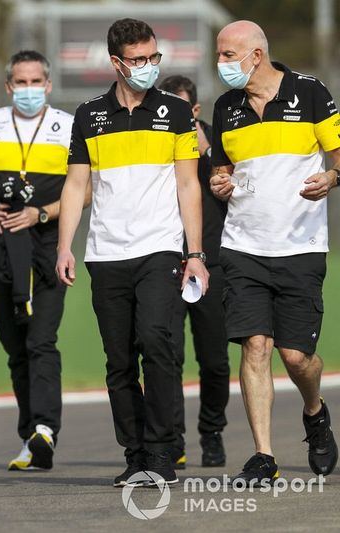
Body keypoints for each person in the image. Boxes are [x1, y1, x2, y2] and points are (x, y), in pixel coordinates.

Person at [56, 18, 209, 486]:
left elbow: (188, 184)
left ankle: (163, 453)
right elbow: (76, 184)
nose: (146, 67)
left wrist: (195, 252)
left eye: (153, 58)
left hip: (161, 249)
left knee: (159, 346)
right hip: (105, 254)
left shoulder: (176, 113)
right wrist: (65, 245)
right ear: (116, 62)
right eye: (137, 60)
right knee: (119, 360)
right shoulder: (89, 114)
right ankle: (136, 453)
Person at [210, 20, 339, 483]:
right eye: (219, 54)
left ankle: (315, 412)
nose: (220, 63)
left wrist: (332, 178)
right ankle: (264, 456)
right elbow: (221, 171)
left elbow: (339, 157)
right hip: (243, 245)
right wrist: (219, 182)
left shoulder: (310, 92)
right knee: (256, 345)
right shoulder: (227, 106)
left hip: (301, 245)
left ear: (256, 56)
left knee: (296, 357)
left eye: (227, 55)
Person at [0, 50, 81, 471]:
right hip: (2, 245)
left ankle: (46, 428)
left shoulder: (67, 126)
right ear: (9, 86)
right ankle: (30, 435)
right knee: (16, 346)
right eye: (20, 83)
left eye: (35, 82)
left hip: (48, 244)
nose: (28, 90)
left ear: (48, 84)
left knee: (41, 339)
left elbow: (84, 191)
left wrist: (41, 213)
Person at [158, 75, 230, 470]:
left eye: (182, 108)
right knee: (165, 356)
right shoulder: (156, 142)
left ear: (196, 110)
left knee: (216, 361)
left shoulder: (217, 146)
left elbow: (233, 190)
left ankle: (212, 432)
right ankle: (173, 440)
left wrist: (206, 155)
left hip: (212, 265)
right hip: (166, 262)